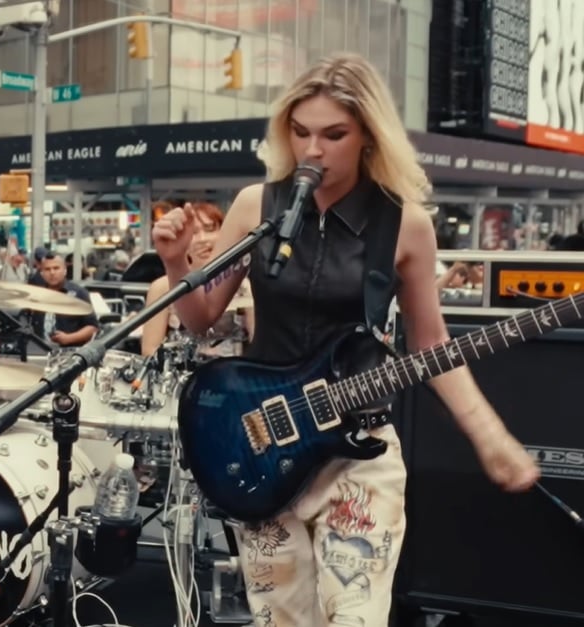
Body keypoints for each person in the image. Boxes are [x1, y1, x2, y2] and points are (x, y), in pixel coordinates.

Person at [151, 52, 539, 626]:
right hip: (262, 445)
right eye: (301, 132)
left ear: (368, 137)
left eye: (334, 134)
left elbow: (431, 345)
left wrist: (490, 435)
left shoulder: (403, 223)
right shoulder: (258, 206)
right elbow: (203, 319)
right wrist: (174, 261)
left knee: (354, 618)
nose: (314, 149)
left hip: (358, 451)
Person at [140, 201, 254, 359]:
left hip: (233, 376)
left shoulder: (243, 285)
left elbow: (258, 339)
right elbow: (149, 350)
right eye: (193, 233)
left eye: (210, 229)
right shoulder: (163, 287)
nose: (202, 239)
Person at [30, 253, 99, 348]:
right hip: (40, 353)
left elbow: (92, 328)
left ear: (65, 270)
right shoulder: (37, 295)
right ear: (41, 273)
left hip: (69, 353)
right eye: (47, 269)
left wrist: (69, 338)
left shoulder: (79, 293)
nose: (52, 272)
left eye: (56, 268)